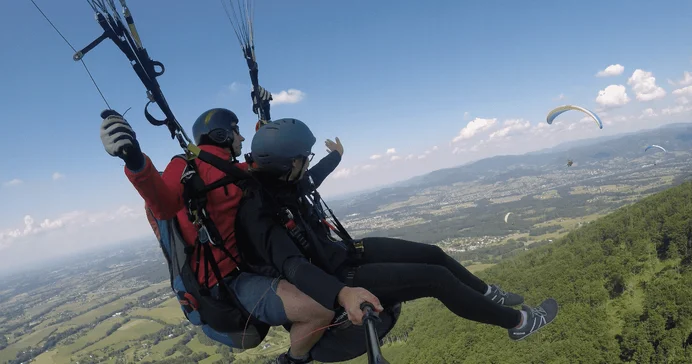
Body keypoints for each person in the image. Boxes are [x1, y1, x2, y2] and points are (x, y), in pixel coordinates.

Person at [239, 118, 559, 362]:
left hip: (345, 253)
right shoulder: (260, 211)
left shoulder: (282, 183)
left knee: (433, 253)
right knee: (436, 279)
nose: (307, 162)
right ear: (288, 163)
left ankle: (489, 294)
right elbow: (292, 266)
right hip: (338, 276)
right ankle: (519, 322)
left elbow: (311, 178)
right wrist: (342, 294)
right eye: (302, 158)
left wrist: (335, 156)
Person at [99, 105, 364, 360]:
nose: (242, 137)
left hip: (250, 265)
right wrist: (135, 161)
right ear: (221, 134)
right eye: (236, 131)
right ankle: (293, 360)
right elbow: (165, 205)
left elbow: (293, 179)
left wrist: (268, 120)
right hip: (227, 281)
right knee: (319, 309)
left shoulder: (235, 170)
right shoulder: (186, 166)